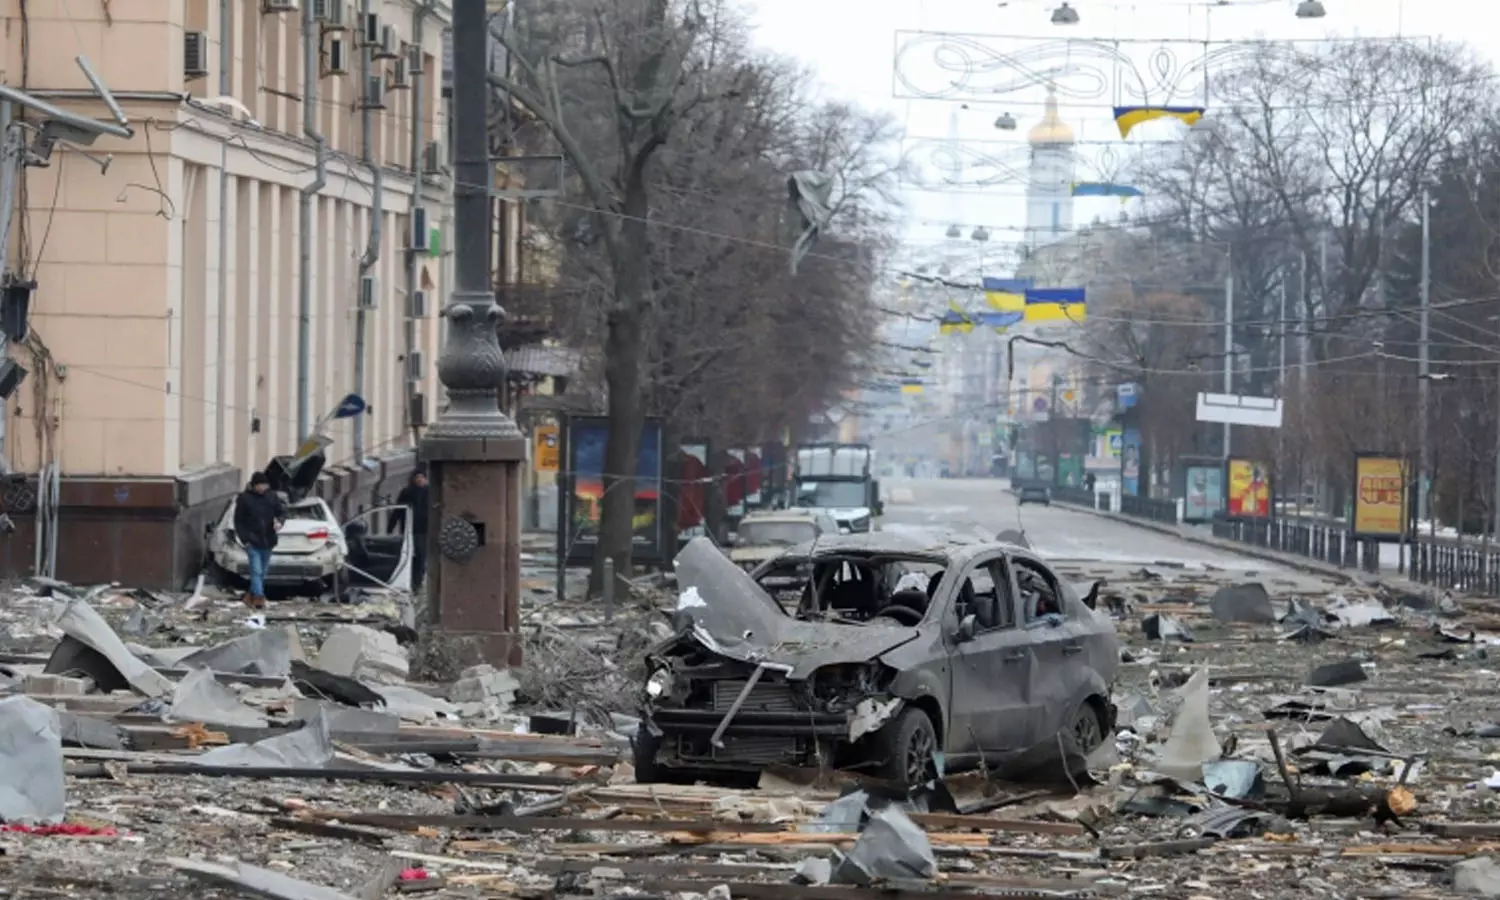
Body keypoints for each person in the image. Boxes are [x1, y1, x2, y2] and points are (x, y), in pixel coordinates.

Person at [233, 471, 286, 609]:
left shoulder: (271, 496)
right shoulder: (245, 499)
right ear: (254, 485)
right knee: (256, 570)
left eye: (264, 485)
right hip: (253, 541)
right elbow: (238, 521)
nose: (262, 488)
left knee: (262, 571)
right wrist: (245, 539)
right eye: (260, 485)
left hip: (268, 540)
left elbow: (281, 512)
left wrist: (279, 521)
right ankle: (259, 598)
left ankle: (250, 596)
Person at [393, 466, 430, 590]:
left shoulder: (430, 492)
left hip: (424, 530)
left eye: (422, 478)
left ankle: (417, 583)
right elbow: (397, 511)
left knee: (421, 556)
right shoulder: (407, 492)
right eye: (417, 478)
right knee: (409, 556)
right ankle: (411, 583)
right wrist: (391, 526)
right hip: (409, 530)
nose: (419, 480)